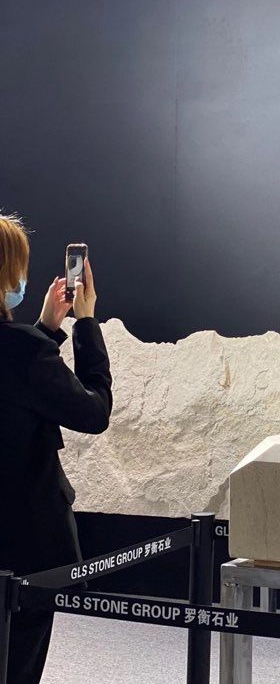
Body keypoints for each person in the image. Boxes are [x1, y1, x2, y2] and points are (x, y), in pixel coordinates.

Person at [0, 214, 112, 684]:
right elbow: (94, 411)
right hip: (22, 551)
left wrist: (46, 329)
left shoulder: (24, 349)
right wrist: (85, 324)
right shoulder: (21, 351)